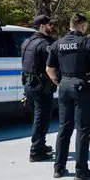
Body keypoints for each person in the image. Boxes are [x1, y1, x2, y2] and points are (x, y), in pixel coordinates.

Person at [45, 13, 90, 180]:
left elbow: (49, 69)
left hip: (64, 86)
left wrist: (60, 83)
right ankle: (81, 171)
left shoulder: (57, 43)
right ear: (82, 26)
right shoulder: (86, 43)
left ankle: (58, 168)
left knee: (64, 128)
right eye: (85, 26)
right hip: (82, 87)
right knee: (83, 130)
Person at [21, 15, 56, 162]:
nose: (51, 27)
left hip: (29, 85)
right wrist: (57, 81)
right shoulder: (44, 44)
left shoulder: (26, 42)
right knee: (42, 119)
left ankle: (40, 144)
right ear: (42, 26)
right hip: (41, 87)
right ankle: (36, 151)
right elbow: (51, 66)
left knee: (37, 117)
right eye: (49, 24)